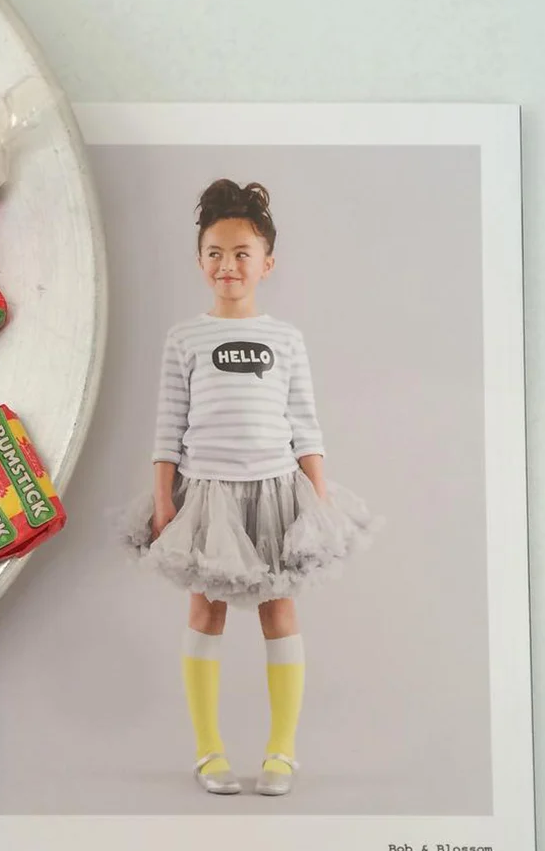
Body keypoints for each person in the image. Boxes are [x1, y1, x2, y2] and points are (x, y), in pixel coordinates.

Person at [121, 179, 378, 798]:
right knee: (205, 609)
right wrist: (164, 500)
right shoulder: (184, 338)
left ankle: (281, 753)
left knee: (278, 609)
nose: (228, 264)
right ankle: (208, 752)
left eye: (242, 253)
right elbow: (168, 426)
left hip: (276, 492)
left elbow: (305, 425)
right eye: (215, 251)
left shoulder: (286, 339)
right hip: (207, 496)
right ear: (199, 260)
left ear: (267, 262)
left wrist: (317, 502)